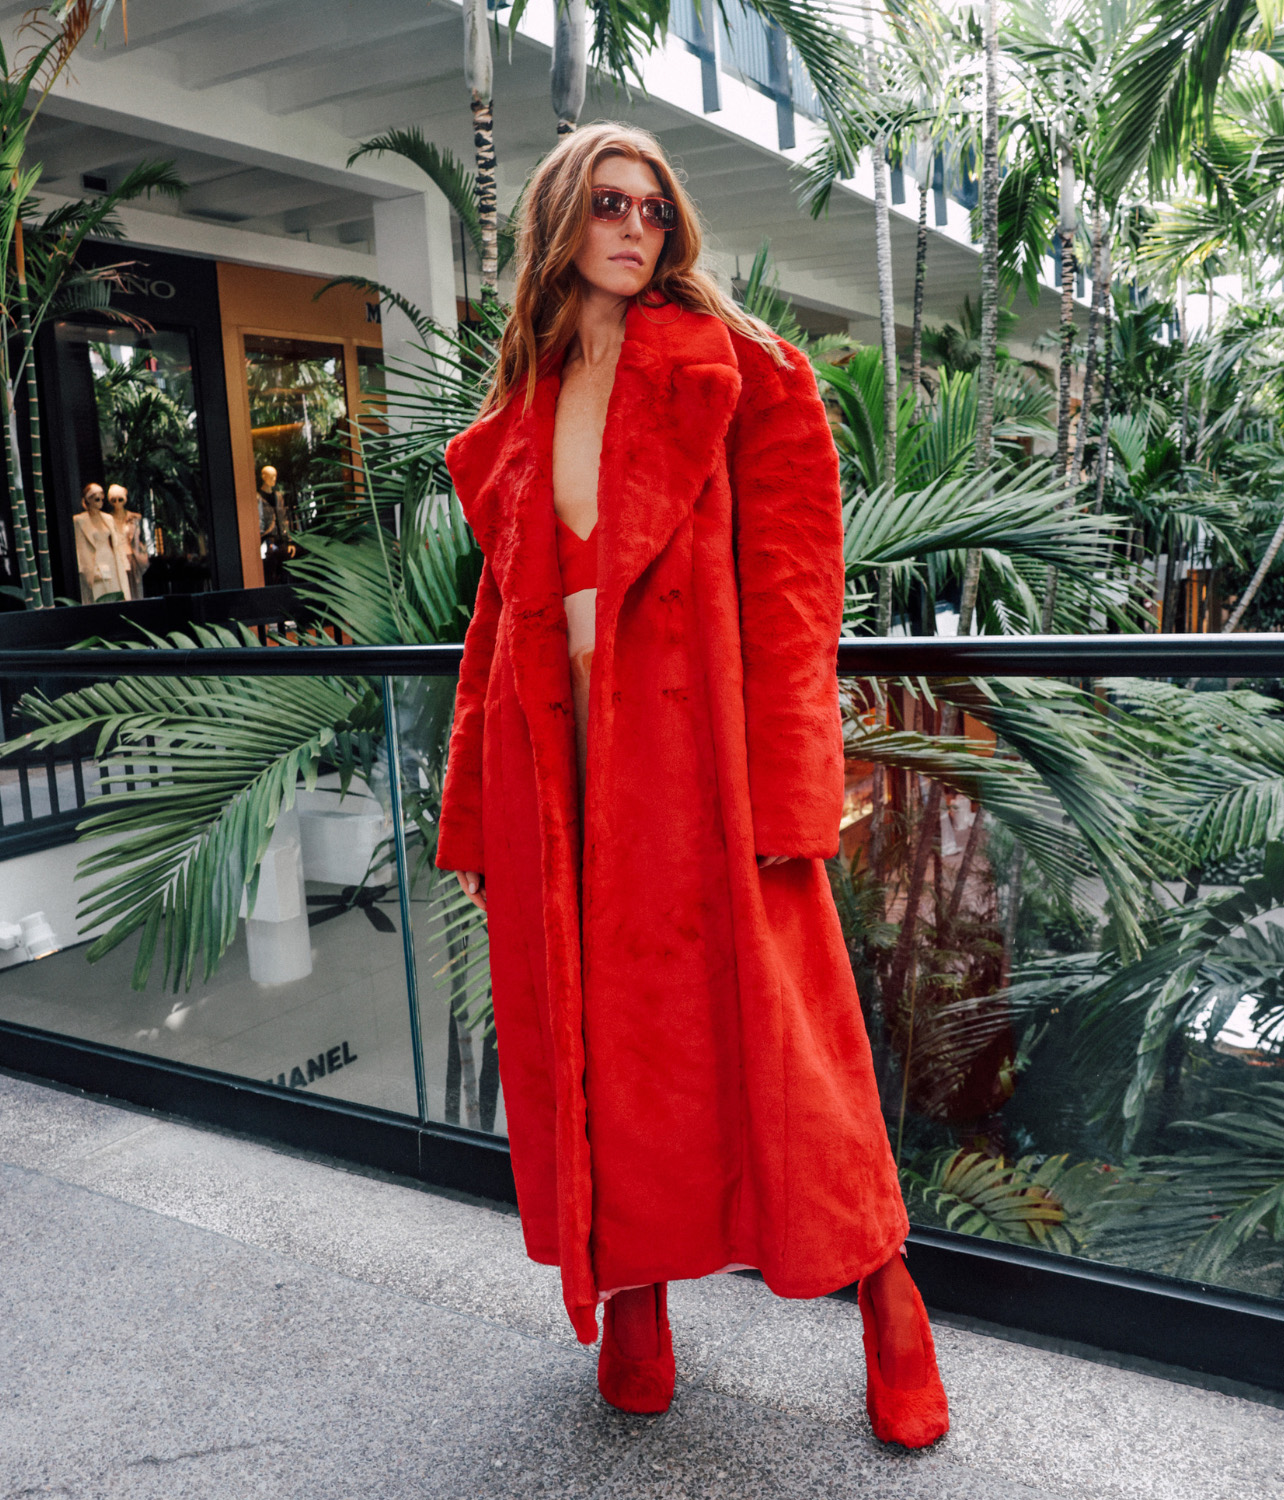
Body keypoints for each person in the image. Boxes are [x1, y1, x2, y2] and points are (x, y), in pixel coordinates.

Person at [435, 123, 948, 1448]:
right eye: (608, 203)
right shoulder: (516, 418)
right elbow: (498, 634)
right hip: (568, 783)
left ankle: (890, 1301)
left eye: (654, 210)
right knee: (608, 1055)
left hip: (709, 780)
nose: (634, 227)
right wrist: (477, 810)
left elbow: (792, 601)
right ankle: (639, 1297)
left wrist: (790, 793)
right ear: (561, 218)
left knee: (793, 1053)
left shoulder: (743, 377)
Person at [73, 482, 132, 603]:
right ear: (88, 500)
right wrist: (84, 570)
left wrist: (124, 562)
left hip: (111, 560)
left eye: (101, 497)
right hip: (94, 562)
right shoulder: (80, 520)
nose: (100, 501)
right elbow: (79, 547)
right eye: (96, 498)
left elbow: (117, 543)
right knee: (98, 595)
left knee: (116, 593)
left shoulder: (108, 518)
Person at [105, 484, 149, 600]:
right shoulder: (107, 519)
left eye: (120, 499)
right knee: (120, 591)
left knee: (135, 590)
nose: (117, 503)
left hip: (132, 557)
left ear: (125, 500)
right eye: (113, 500)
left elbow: (141, 539)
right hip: (117, 558)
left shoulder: (134, 517)